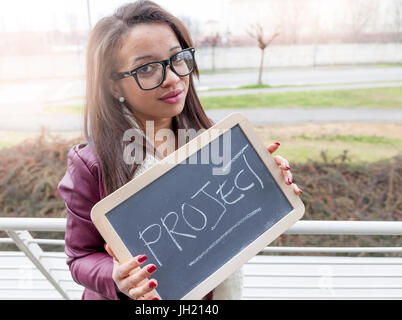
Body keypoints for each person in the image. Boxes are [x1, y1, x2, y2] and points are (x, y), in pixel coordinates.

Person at [57, 0, 302, 300]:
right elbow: (80, 256)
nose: (173, 78)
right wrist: (116, 275)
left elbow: (234, 221)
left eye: (178, 58)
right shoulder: (90, 164)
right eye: (146, 68)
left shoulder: (215, 136)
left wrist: (267, 182)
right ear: (113, 86)